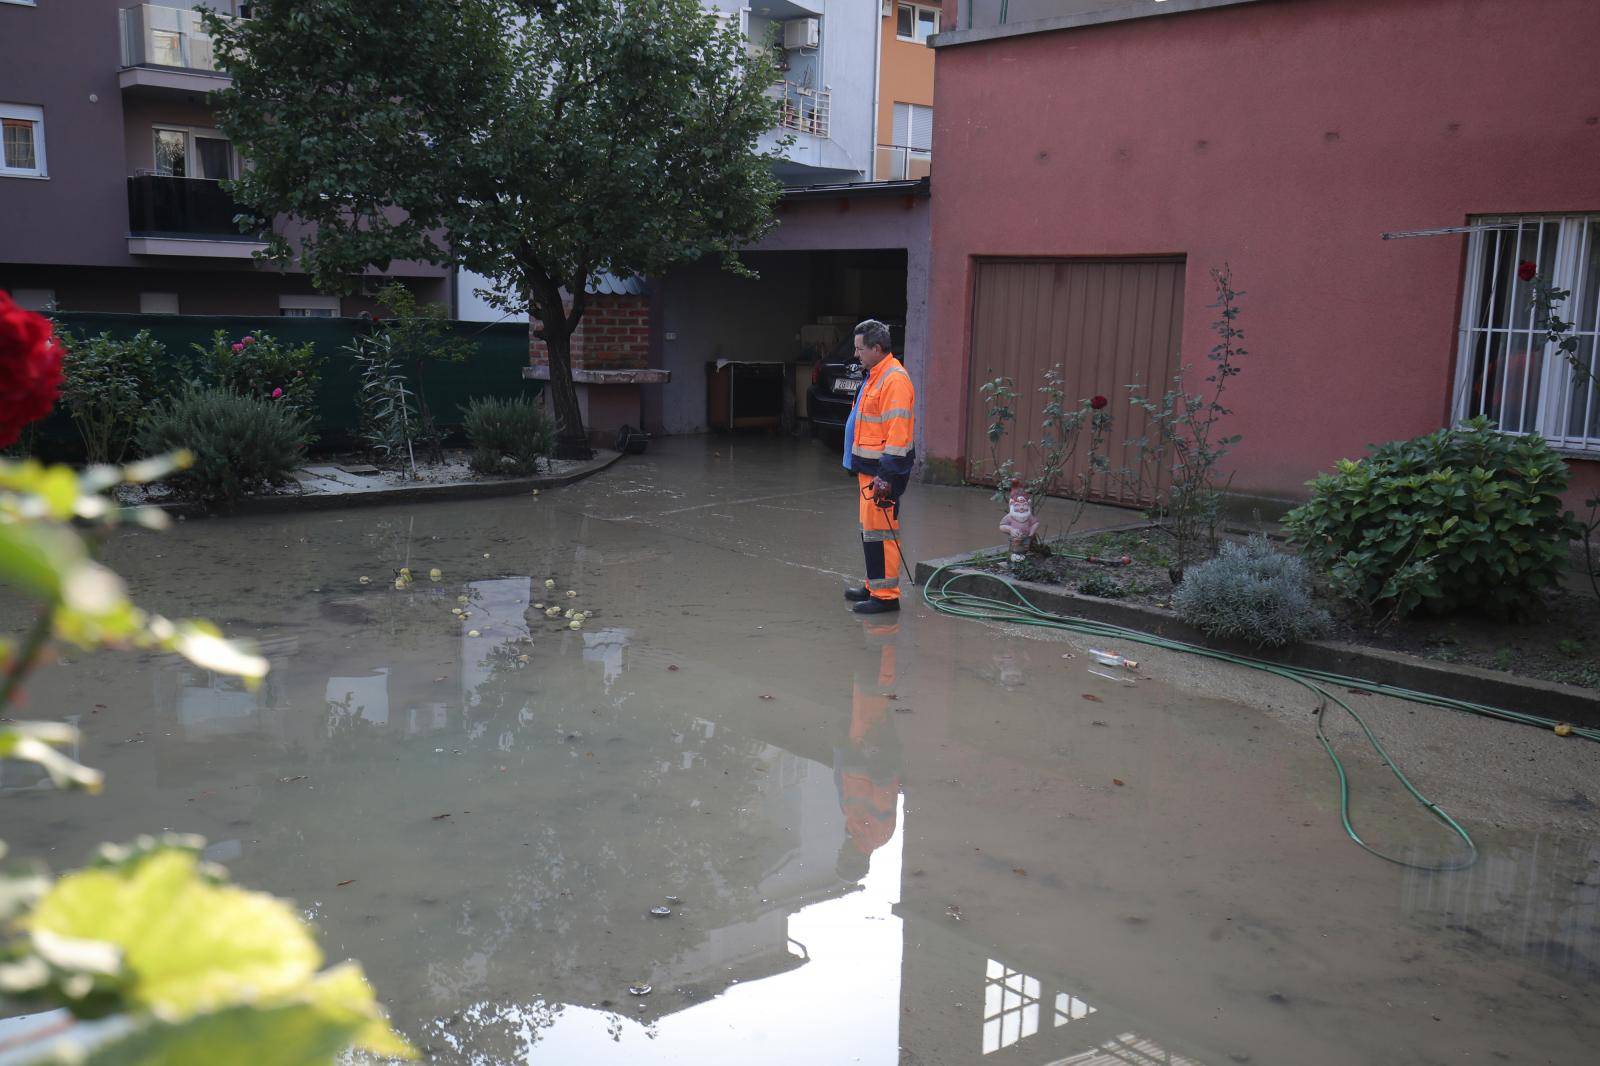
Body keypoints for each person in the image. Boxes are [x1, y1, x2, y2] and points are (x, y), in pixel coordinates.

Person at [843, 319, 915, 614]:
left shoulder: (894, 380)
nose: (856, 354)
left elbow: (898, 434)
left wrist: (887, 476)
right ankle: (874, 585)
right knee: (870, 531)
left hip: (881, 474)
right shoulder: (875, 375)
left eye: (860, 349)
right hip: (869, 471)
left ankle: (885, 597)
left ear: (877, 348)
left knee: (882, 533)